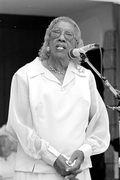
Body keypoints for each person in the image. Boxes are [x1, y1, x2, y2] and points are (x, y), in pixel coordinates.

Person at [6, 16, 110, 180]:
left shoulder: (86, 76)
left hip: (77, 171)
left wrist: (84, 152)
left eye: (69, 34)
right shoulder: (25, 75)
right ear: (47, 41)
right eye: (56, 32)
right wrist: (53, 158)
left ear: (76, 45)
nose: (61, 37)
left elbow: (100, 124)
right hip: (37, 172)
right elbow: (19, 128)